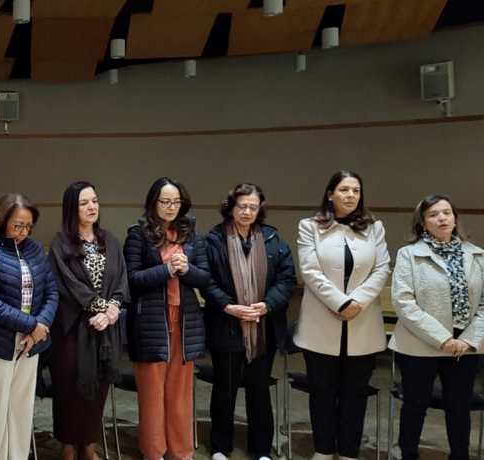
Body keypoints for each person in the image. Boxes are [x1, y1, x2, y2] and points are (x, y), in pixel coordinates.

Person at [294, 170, 390, 460]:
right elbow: (310, 270)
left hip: (363, 322)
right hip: (321, 322)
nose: (351, 195)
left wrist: (357, 301)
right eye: (344, 190)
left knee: (355, 393)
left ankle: (349, 452)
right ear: (330, 194)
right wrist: (340, 303)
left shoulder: (374, 228)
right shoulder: (310, 226)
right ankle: (323, 450)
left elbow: (382, 268)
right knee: (321, 391)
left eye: (356, 191)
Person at [202, 183, 296, 460]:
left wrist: (267, 305)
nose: (247, 211)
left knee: (259, 389)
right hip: (226, 325)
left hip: (263, 326)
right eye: (242, 206)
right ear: (231, 207)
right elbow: (206, 280)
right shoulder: (214, 240)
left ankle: (261, 449)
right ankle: (220, 446)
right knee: (225, 388)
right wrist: (228, 306)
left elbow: (287, 278)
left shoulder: (272, 239)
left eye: (253, 207)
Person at [389, 195, 484, 460]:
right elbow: (403, 302)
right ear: (422, 223)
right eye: (433, 214)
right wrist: (443, 339)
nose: (442, 218)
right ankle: (408, 454)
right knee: (415, 405)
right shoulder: (409, 254)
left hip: (465, 345)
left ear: (455, 218)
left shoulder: (477, 255)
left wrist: (468, 339)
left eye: (446, 212)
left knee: (459, 408)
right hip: (420, 344)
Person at [124, 176, 210, 460]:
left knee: (180, 392)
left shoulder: (192, 234)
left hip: (184, 321)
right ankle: (154, 451)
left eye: (176, 202)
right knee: (152, 393)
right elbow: (132, 279)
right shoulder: (138, 234)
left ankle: (181, 451)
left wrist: (186, 269)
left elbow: (205, 278)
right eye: (165, 202)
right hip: (150, 322)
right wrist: (167, 270)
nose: (171, 207)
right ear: (153, 202)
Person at [0, 193, 58, 460]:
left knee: (21, 412)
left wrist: (40, 326)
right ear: (2, 219)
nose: (23, 232)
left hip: (30, 342)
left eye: (28, 226)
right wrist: (32, 325)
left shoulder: (34, 249)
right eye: (18, 225)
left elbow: (51, 292)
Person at [48, 181, 128, 460]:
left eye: (94, 200)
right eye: (84, 203)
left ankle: (90, 445)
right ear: (72, 208)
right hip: (72, 332)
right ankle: (69, 446)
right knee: (70, 391)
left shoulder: (110, 241)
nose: (92, 206)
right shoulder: (61, 243)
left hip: (106, 332)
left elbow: (122, 280)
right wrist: (101, 308)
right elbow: (65, 285)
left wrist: (112, 310)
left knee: (98, 390)